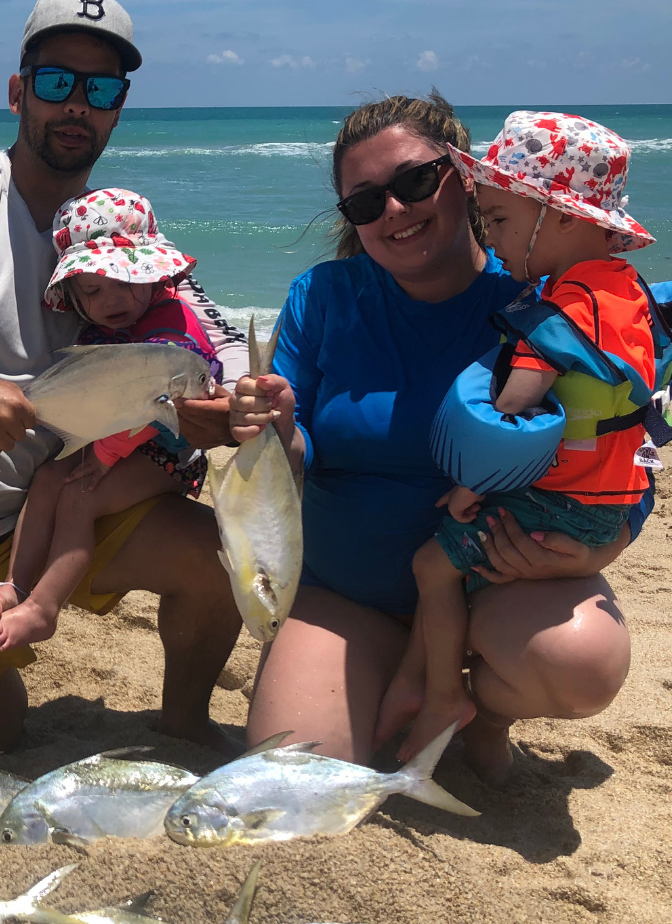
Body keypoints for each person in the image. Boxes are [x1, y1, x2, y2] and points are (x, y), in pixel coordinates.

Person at [0, 0, 250, 756]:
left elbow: (213, 337)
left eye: (101, 90)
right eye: (58, 80)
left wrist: (225, 408)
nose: (76, 106)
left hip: (73, 501)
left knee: (216, 561)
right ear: (16, 90)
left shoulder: (120, 234)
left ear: (118, 109)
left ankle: (186, 724)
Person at [229, 92, 645, 785]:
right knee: (290, 781)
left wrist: (606, 541)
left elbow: (628, 452)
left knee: (581, 664)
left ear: (467, 178)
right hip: (347, 596)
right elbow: (294, 449)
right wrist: (273, 427)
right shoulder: (323, 296)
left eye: (415, 181)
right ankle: (383, 678)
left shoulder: (552, 299)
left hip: (489, 595)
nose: (393, 211)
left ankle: (479, 705)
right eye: (364, 203)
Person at [379, 112, 665, 762]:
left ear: (559, 217)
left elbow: (506, 418)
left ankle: (444, 696)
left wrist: (465, 487)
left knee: (434, 567)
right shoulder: (632, 297)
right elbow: (653, 415)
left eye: (501, 220)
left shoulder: (559, 312)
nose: (491, 236)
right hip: (607, 508)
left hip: (552, 507)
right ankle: (430, 696)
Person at [0, 188, 220, 651]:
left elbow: (160, 405)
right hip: (114, 434)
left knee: (79, 500)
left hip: (166, 452)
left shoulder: (172, 327)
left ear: (153, 275)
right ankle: (14, 585)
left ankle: (45, 608)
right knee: (48, 479)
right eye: (92, 289)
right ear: (73, 293)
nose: (113, 298)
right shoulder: (103, 329)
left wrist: (103, 457)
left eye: (128, 280)